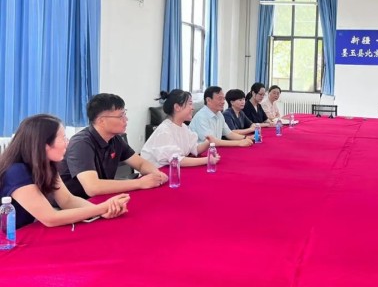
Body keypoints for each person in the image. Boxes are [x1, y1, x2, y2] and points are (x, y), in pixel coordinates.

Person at [0, 114, 130, 229]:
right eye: (63, 138)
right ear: (44, 145)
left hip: (23, 231)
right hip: (8, 238)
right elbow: (50, 218)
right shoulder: (16, 172)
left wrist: (102, 210)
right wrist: (101, 208)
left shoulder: (48, 164)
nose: (67, 143)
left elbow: (67, 200)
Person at [58, 94, 168, 199]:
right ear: (101, 121)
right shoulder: (81, 143)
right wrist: (139, 183)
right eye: (120, 116)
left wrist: (157, 174)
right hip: (74, 204)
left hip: (102, 197)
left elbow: (140, 163)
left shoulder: (115, 139)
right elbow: (92, 187)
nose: (126, 119)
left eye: (125, 114)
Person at [141, 90, 218, 167]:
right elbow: (176, 160)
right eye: (190, 104)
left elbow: (195, 148)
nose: (193, 108)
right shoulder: (164, 130)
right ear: (177, 107)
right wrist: (207, 160)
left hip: (171, 169)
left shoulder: (183, 127)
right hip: (156, 171)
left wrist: (208, 142)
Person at [189, 86, 254, 147]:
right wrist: (239, 143)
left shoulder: (219, 114)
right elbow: (211, 141)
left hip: (215, 149)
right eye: (220, 99)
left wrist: (246, 137)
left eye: (223, 99)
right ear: (208, 100)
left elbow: (229, 134)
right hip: (202, 152)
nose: (223, 102)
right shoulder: (201, 117)